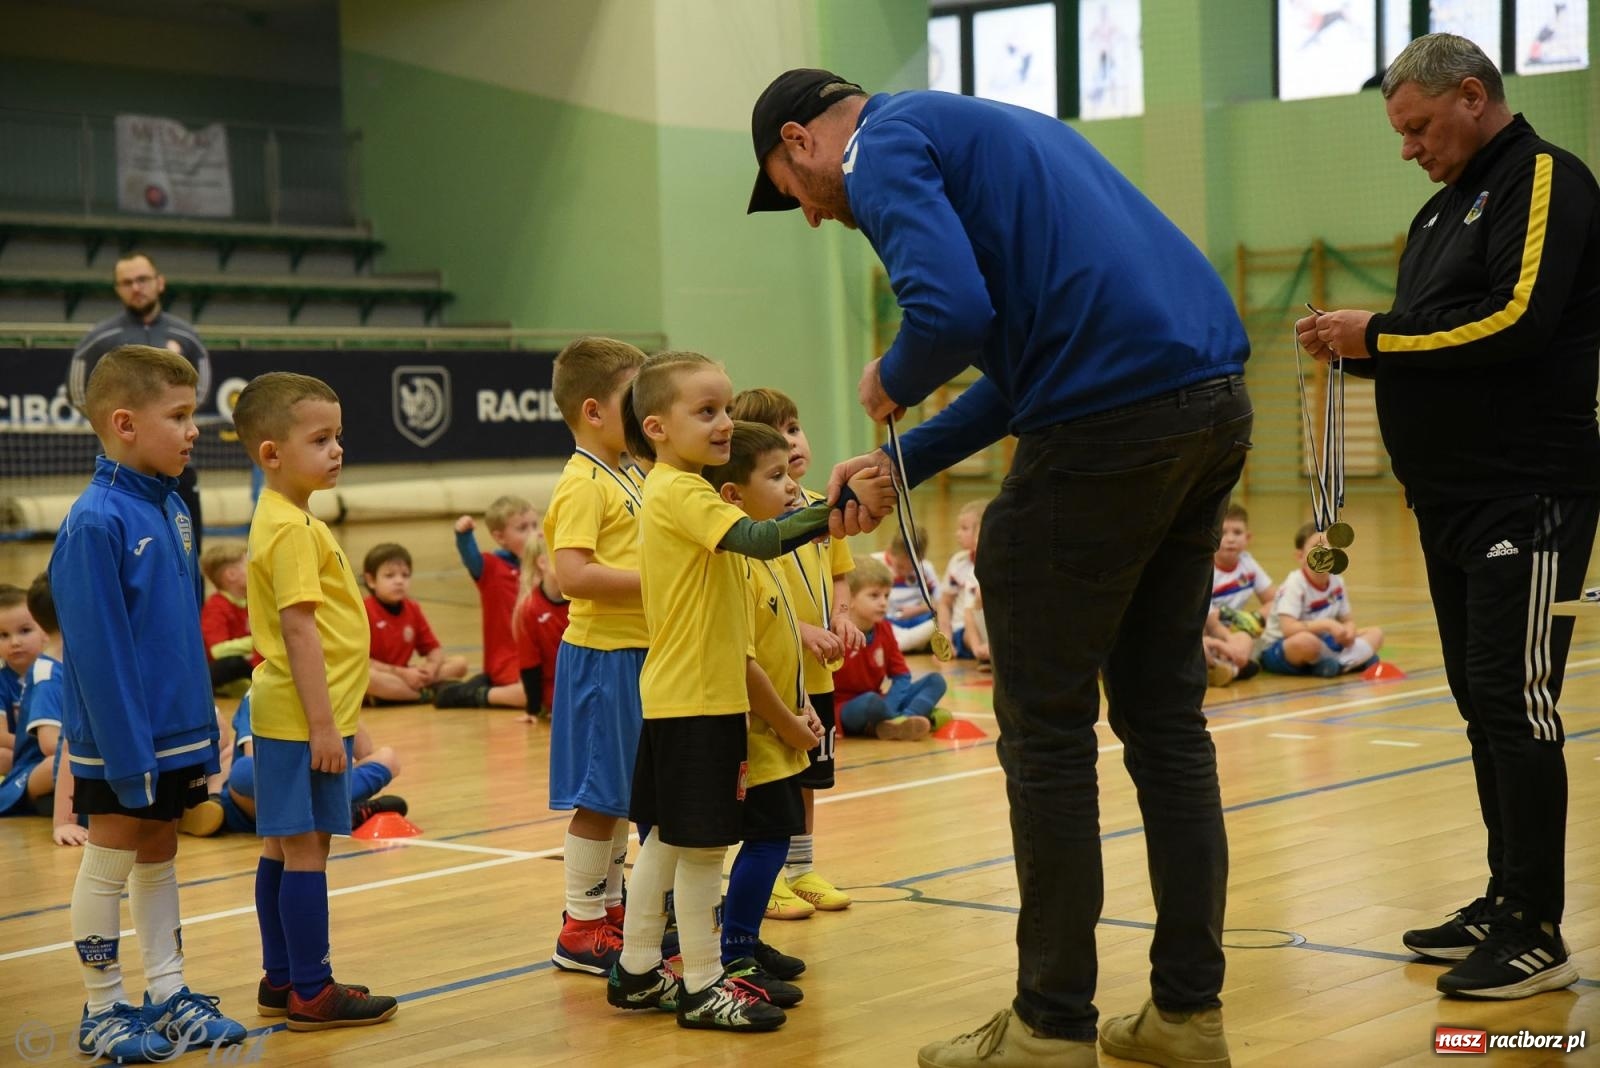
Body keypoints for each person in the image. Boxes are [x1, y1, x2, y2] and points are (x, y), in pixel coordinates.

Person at [748, 69, 1252, 1067]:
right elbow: (1023, 366)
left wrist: (887, 380)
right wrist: (895, 464)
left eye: (787, 189)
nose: (808, 218)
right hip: (1209, 409)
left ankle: (1051, 1026)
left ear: (803, 139)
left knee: (1049, 736)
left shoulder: (881, 147)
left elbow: (951, 316)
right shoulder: (988, 130)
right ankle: (1187, 1017)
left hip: (1103, 434)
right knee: (1164, 726)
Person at [1296, 32, 1600, 1000]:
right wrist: (1366, 350)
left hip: (1529, 491)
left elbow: (1520, 318)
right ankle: (1502, 898)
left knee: (1518, 706)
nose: (1408, 148)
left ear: (1472, 96)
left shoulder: (1544, 178)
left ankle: (1536, 932)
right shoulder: (1440, 211)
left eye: (1418, 126)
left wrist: (1377, 333)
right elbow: (1439, 341)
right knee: (1480, 707)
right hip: (1451, 499)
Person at [604, 351, 890, 1032]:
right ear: (657, 427)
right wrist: (834, 512)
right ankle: (705, 985)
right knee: (701, 849)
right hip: (697, 700)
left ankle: (640, 968)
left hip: (689, 696)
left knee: (672, 842)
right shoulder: (682, 492)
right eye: (706, 411)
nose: (726, 422)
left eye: (726, 408)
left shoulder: (686, 489)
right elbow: (762, 538)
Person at [49, 344, 245, 1060]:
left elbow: (179, 627)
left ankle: (167, 993)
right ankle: (102, 1007)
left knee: (161, 848)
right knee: (110, 857)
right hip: (121, 738)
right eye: (181, 416)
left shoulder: (173, 508)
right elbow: (98, 655)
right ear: (125, 424)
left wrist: (203, 714)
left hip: (176, 731)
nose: (194, 429)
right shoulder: (94, 522)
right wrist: (128, 752)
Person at [231, 370, 399, 1031]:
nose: (336, 450)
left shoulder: (284, 516)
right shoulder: (292, 528)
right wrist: (327, 729)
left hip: (290, 714)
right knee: (307, 850)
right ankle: (312, 990)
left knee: (279, 846)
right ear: (272, 453)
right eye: (320, 439)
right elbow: (300, 630)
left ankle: (282, 980)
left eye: (339, 438)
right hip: (303, 718)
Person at [731, 386, 862, 919]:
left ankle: (800, 867)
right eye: (778, 435)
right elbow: (766, 595)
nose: (794, 443)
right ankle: (764, 871)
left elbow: (840, 576)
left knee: (809, 776)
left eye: (795, 427)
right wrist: (805, 630)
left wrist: (844, 615)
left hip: (820, 678)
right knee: (772, 779)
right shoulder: (760, 526)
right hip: (779, 676)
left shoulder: (819, 509)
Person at [703, 419, 820, 1007]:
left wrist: (802, 705)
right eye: (774, 477)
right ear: (732, 496)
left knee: (774, 836)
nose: (791, 486)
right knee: (769, 839)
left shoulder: (769, 549)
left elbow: (781, 645)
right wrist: (781, 720)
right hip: (754, 732)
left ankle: (743, 941)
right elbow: (745, 665)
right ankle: (735, 951)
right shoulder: (740, 562)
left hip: (779, 721)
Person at [541, 336, 646, 976]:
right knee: (599, 796)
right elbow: (572, 576)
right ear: (593, 411)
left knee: (623, 795)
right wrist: (659, 581)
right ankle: (580, 926)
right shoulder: (581, 484)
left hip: (635, 652)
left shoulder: (628, 474)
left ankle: (609, 909)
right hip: (602, 658)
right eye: (633, 401)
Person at [70, 253, 211, 547]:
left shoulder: (185, 335)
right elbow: (78, 389)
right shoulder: (100, 338)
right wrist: (116, 430)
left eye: (143, 279)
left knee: (187, 549)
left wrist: (172, 419)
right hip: (124, 468)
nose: (136, 287)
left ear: (160, 283)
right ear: (117, 289)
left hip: (178, 466)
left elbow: (203, 384)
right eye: (127, 282)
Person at [218, 691, 407, 842]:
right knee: (243, 770)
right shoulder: (261, 692)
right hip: (258, 807)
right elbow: (259, 770)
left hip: (313, 786)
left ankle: (331, 810)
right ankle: (338, 810)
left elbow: (365, 753)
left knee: (388, 758)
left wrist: (342, 699)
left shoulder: (333, 691)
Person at [834, 558, 949, 740]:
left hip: (880, 702)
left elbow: (902, 675)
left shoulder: (885, 629)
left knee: (935, 681)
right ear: (849, 600)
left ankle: (899, 721)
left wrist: (890, 704)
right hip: (847, 708)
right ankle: (903, 719)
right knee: (870, 702)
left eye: (886, 596)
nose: (883, 602)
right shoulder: (835, 633)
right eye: (874, 595)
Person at [439, 495, 537, 709]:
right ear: (500, 537)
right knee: (533, 696)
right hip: (507, 660)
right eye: (523, 528)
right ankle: (479, 695)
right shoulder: (491, 568)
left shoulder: (542, 567)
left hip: (538, 656)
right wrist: (463, 535)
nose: (533, 534)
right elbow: (471, 557)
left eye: (535, 525)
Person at [1258, 523, 1383, 678]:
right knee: (1306, 642)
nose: (1325, 551)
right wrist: (1328, 625)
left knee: (1375, 633)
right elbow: (1288, 629)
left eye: (1329, 546)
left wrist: (1348, 632)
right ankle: (1354, 660)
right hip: (1281, 647)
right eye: (1317, 546)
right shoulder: (1295, 584)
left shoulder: (1337, 581)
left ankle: (1336, 664)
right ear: (1300, 556)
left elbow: (1348, 620)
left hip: (1323, 641)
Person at [361, 542, 468, 705]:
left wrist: (430, 669)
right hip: (385, 674)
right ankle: (423, 696)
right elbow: (362, 661)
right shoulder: (364, 610)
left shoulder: (413, 608)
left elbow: (434, 650)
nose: (399, 581)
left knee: (460, 663)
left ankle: (399, 695)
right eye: (390, 576)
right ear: (371, 580)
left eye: (405, 575)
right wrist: (402, 673)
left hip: (406, 676)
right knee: (367, 677)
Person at [0, 580, 62, 818]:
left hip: (45, 755)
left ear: (44, 632)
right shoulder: (46, 675)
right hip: (32, 762)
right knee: (58, 762)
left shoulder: (55, 669)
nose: (14, 642)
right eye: (3, 635)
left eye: (24, 631)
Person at [1203, 503, 1273, 687]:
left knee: (1245, 640)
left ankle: (1225, 668)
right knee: (1202, 644)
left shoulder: (1247, 563)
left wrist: (1253, 618)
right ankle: (1229, 666)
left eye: (1237, 532)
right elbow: (1211, 621)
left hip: (1232, 629)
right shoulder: (1205, 569)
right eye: (1224, 532)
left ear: (1248, 537)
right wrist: (1227, 640)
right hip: (1208, 630)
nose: (1230, 539)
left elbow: (1273, 600)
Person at [512, 530, 570, 721]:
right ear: (542, 562)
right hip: (555, 694)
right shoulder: (529, 609)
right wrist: (533, 709)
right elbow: (529, 665)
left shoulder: (580, 601)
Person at [199, 542, 259, 696]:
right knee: (234, 664)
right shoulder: (216, 606)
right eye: (248, 565)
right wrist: (257, 641)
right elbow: (217, 651)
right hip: (221, 670)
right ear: (231, 574)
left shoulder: (251, 602)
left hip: (243, 665)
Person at [937, 500, 987, 659]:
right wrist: (946, 639)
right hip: (963, 629)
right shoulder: (959, 562)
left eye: (964, 528)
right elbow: (944, 603)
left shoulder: (997, 564)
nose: (957, 534)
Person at [877, 532, 940, 653]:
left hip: (918, 620)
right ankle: (911, 643)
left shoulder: (926, 568)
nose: (905, 573)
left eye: (912, 568)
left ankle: (895, 644)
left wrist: (919, 610)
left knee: (940, 620)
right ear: (890, 552)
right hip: (888, 621)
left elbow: (942, 602)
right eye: (900, 566)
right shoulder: (876, 563)